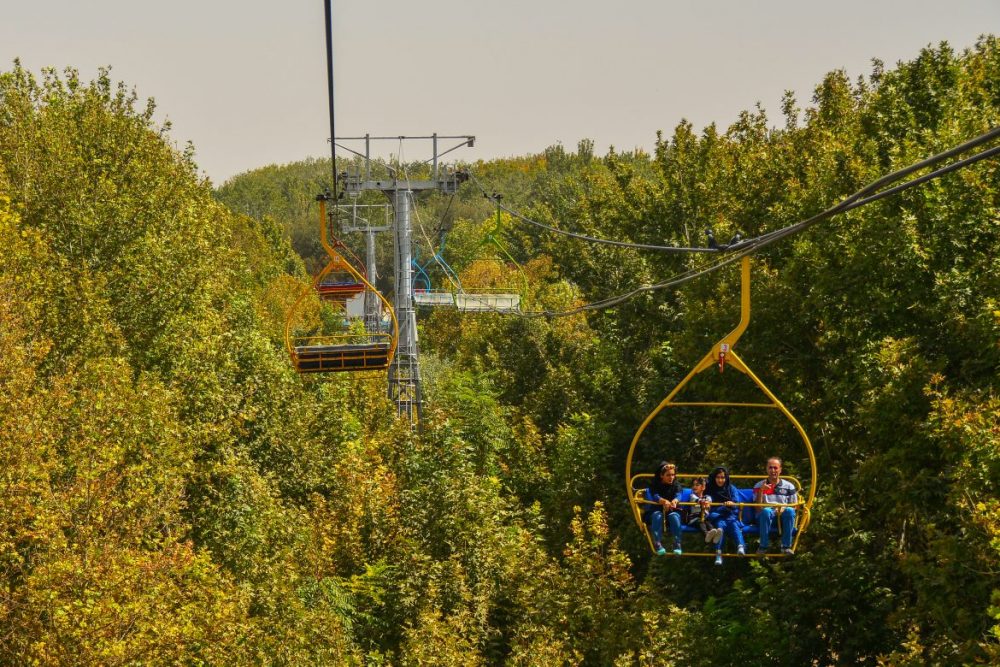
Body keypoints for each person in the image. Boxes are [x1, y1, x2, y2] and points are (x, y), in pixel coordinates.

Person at [754, 457, 798, 555]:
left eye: (775, 468)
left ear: (780, 469)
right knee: (766, 511)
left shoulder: (789, 486)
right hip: (766, 516)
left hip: (783, 516)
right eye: (770, 468)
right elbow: (757, 508)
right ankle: (763, 546)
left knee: (790, 511)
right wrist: (761, 491)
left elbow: (794, 506)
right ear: (766, 469)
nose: (773, 470)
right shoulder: (759, 485)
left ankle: (786, 546)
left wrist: (784, 508)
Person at [704, 466, 746, 565]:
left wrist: (731, 503)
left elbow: (736, 501)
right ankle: (718, 552)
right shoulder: (710, 489)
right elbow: (708, 502)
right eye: (718, 477)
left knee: (734, 526)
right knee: (720, 529)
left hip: (730, 515)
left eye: (723, 477)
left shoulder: (731, 488)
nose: (720, 480)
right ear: (714, 478)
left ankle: (740, 546)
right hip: (718, 515)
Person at [644, 461, 684, 555]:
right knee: (657, 515)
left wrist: (675, 501)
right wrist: (664, 501)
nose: (671, 477)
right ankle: (657, 543)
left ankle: (677, 543)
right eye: (668, 475)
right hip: (658, 509)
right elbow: (655, 496)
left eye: (673, 475)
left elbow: (679, 495)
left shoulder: (676, 484)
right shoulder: (655, 484)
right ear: (662, 475)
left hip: (672, 510)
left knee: (674, 516)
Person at [686, 477, 722, 544]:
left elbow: (708, 502)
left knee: (708, 522)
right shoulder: (692, 496)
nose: (694, 487)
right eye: (693, 485)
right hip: (694, 519)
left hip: (704, 517)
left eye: (697, 485)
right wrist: (702, 502)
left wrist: (707, 503)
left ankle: (714, 534)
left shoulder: (707, 497)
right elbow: (697, 500)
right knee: (701, 522)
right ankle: (706, 534)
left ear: (703, 487)